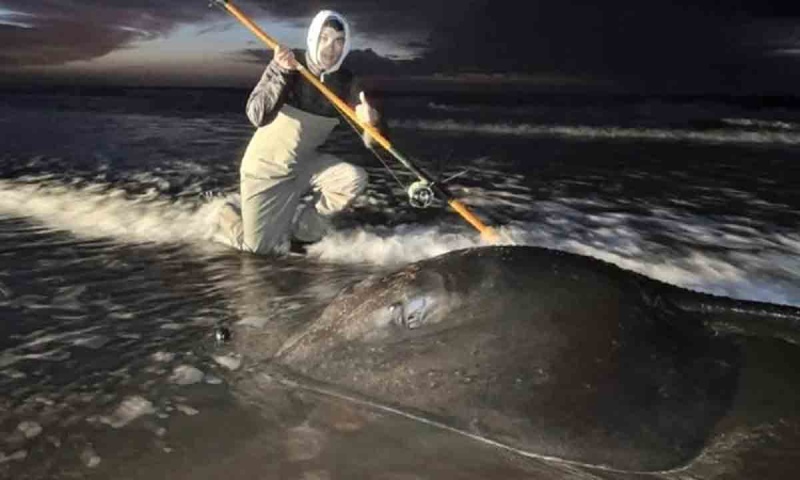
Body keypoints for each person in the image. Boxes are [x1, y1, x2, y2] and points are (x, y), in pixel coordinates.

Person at [217, 9, 384, 254]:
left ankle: (301, 232)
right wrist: (282, 72)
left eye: (339, 41)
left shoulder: (346, 81)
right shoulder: (288, 61)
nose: (331, 47)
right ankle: (226, 211)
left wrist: (373, 122)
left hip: (304, 164)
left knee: (353, 178)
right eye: (324, 38)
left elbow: (372, 142)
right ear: (313, 37)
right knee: (255, 249)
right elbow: (256, 115)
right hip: (265, 169)